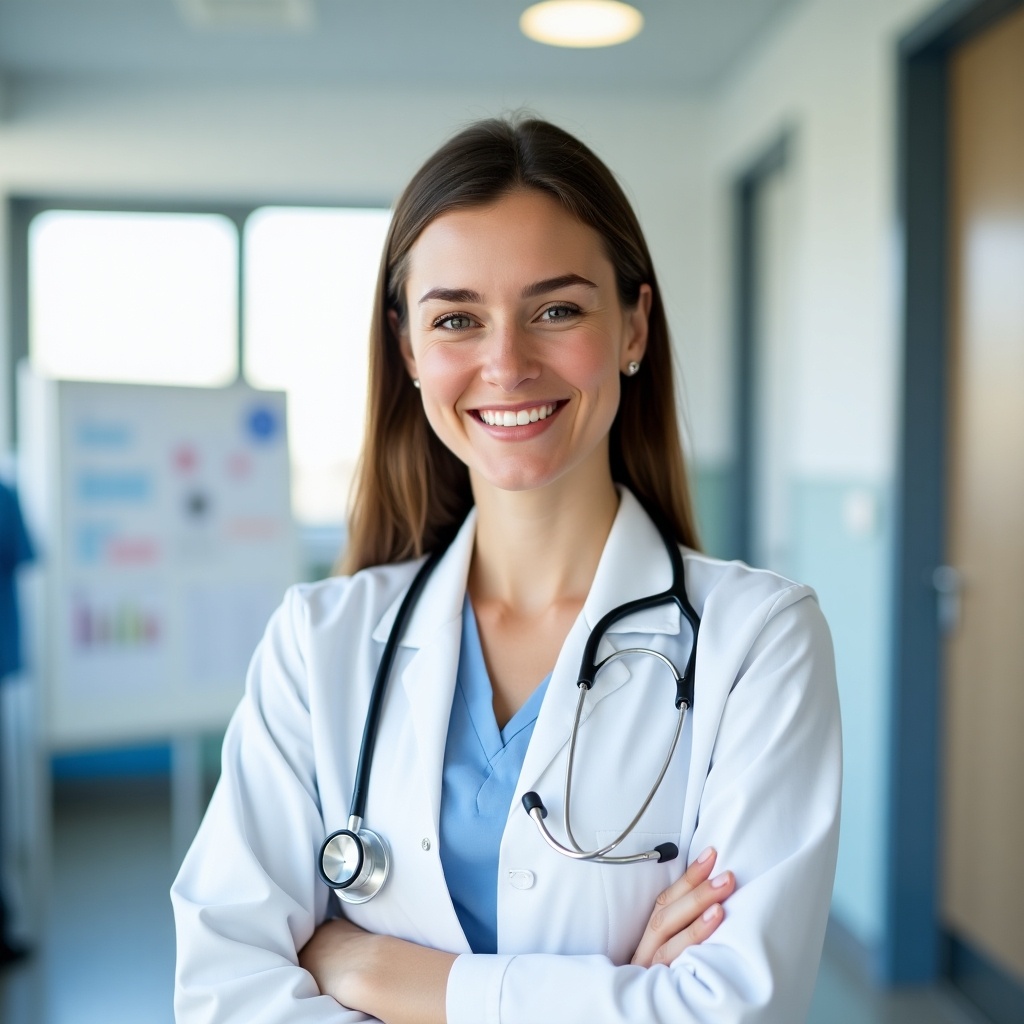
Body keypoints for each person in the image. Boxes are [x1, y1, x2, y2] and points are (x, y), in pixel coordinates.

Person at [172, 116, 841, 1023]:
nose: (507, 363)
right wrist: (622, 993)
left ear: (635, 325)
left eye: (557, 309)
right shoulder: (319, 641)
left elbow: (730, 1009)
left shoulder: (758, 641)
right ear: (409, 349)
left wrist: (370, 969)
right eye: (456, 319)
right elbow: (226, 987)